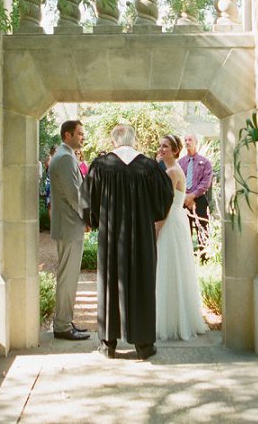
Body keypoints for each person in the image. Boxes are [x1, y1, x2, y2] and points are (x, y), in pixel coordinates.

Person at [83, 124, 173, 360]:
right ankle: (143, 345)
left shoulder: (101, 166)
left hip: (112, 238)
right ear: (134, 142)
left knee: (110, 282)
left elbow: (88, 200)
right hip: (141, 235)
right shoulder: (150, 167)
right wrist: (148, 216)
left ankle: (108, 345)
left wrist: (96, 220)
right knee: (142, 282)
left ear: (114, 142)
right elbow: (164, 199)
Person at [155, 135, 209, 341]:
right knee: (172, 268)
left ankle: (169, 322)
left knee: (168, 268)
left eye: (166, 146)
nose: (161, 149)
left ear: (175, 151)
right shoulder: (172, 169)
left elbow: (164, 205)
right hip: (177, 220)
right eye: (160, 146)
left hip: (170, 221)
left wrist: (156, 230)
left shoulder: (171, 172)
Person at [48, 121, 90, 341]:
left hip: (69, 225)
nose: (83, 137)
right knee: (67, 277)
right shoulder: (65, 158)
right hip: (69, 226)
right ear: (67, 135)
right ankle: (63, 325)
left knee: (69, 276)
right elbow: (74, 195)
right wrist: (88, 217)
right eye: (80, 134)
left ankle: (65, 320)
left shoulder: (67, 155)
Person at [178, 133, 213, 247]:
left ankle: (204, 258)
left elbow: (206, 182)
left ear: (196, 143)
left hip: (200, 200)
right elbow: (178, 181)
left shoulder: (205, 163)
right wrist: (186, 197)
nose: (187, 142)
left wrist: (192, 196)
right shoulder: (180, 163)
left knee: (202, 228)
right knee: (184, 231)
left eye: (190, 140)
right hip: (183, 201)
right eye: (186, 140)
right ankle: (186, 257)